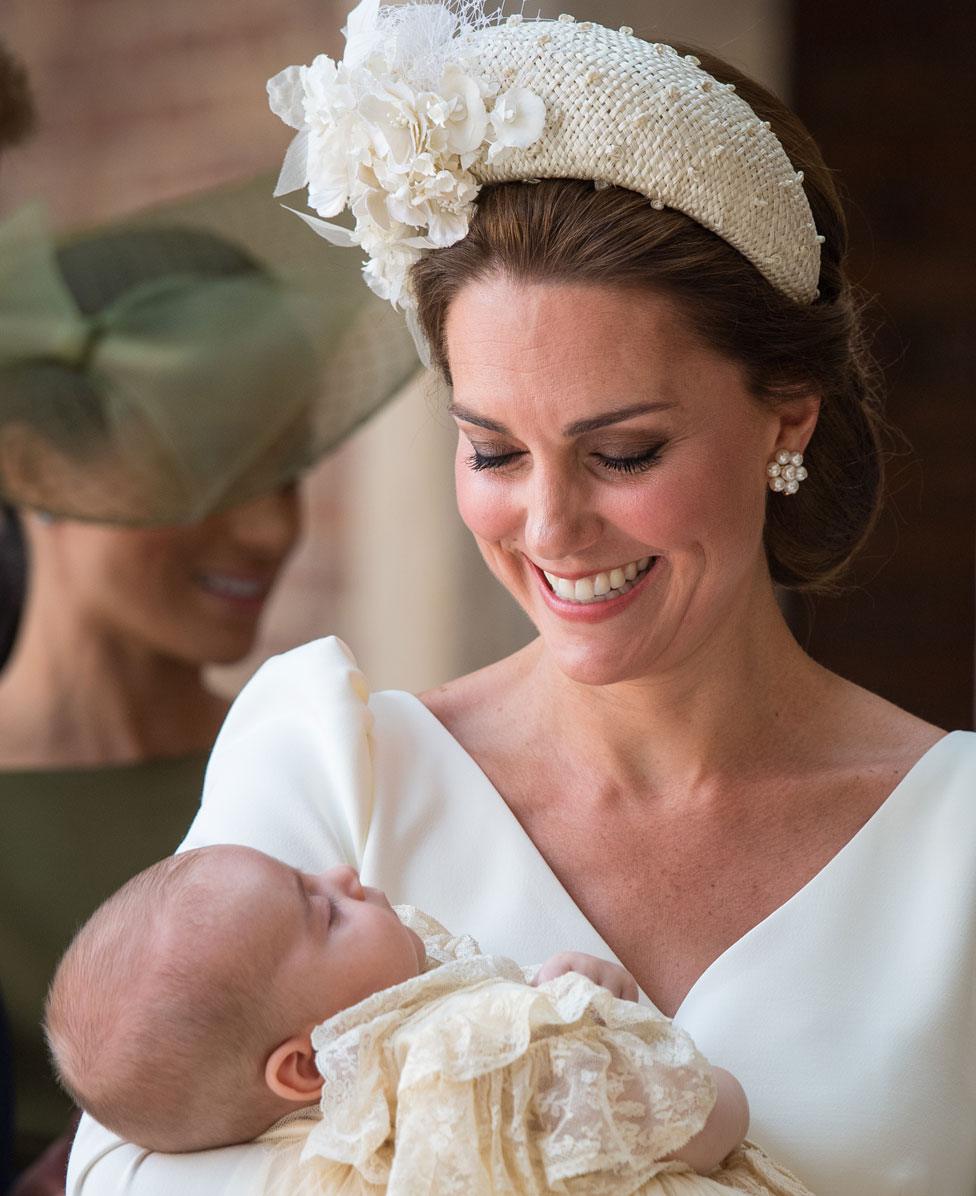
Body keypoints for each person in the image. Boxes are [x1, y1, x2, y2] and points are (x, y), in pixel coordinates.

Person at [68, 4, 976, 1195]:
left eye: (625, 452)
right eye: (492, 452)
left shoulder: (952, 852)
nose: (548, 530)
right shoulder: (336, 776)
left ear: (783, 418)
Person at [0, 202, 417, 1182]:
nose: (271, 532)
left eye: (286, 469)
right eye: (212, 472)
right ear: (33, 462)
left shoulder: (337, 759)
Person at [48, 845, 814, 1195]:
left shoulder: (342, 1142)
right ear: (307, 1066)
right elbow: (709, 1119)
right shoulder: (479, 1059)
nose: (342, 873)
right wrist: (611, 1024)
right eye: (323, 910)